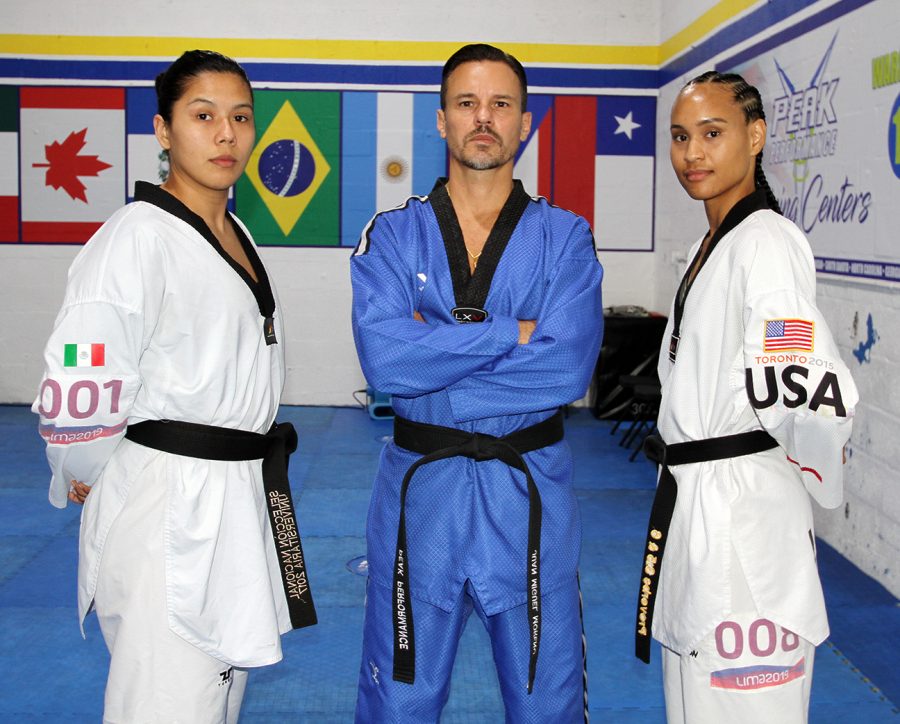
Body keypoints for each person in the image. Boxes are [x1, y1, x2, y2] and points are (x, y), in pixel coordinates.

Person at [33, 50, 315, 723]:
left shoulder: (235, 231)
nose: (226, 134)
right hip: (166, 503)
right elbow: (80, 363)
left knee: (217, 694)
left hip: (234, 490)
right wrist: (78, 464)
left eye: (241, 117)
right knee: (163, 702)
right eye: (204, 115)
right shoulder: (134, 238)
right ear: (163, 131)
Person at [350, 43, 604, 723]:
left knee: (546, 704)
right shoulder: (395, 236)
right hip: (420, 498)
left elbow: (567, 367)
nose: (482, 118)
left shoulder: (566, 237)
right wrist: (508, 333)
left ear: (526, 123)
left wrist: (441, 375)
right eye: (466, 103)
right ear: (441, 120)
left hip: (527, 494)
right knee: (397, 702)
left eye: (500, 104)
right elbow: (384, 361)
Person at [634, 70, 858, 724]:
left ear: (754, 136)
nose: (692, 153)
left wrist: (806, 471)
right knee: (695, 701)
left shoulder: (766, 243)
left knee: (745, 708)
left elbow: (800, 376)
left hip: (745, 518)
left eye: (712, 133)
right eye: (680, 137)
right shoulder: (714, 243)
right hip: (697, 499)